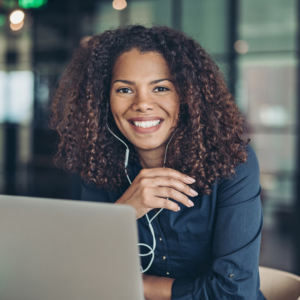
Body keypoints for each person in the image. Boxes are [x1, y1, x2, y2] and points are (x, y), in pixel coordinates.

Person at [50, 25, 266, 300]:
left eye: (161, 88)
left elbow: (234, 293)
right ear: (105, 101)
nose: (142, 103)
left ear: (187, 97)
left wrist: (138, 285)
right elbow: (81, 273)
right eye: (125, 89)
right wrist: (123, 214)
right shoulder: (100, 165)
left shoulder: (233, 164)